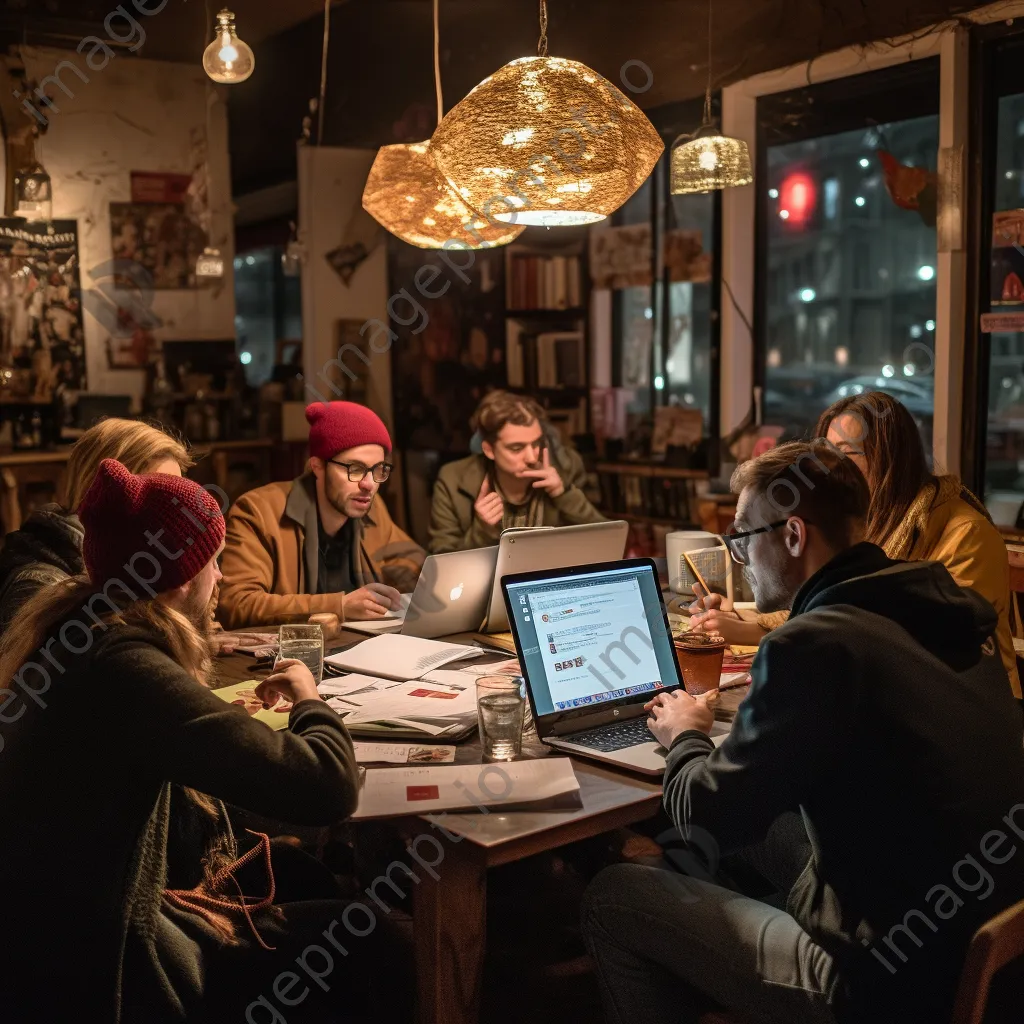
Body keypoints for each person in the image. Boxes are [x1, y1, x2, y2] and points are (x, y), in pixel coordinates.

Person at [583, 440, 1024, 1024]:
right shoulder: (948, 610)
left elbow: (703, 816)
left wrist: (687, 734)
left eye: (742, 538)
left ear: (792, 535)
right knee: (758, 839)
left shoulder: (814, 643)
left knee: (615, 895)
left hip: (884, 982)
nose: (739, 557)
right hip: (987, 945)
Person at [0, 460, 390, 1023]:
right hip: (100, 965)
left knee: (304, 874)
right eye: (215, 561)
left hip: (55, 932)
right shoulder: (125, 668)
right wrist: (310, 699)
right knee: (360, 930)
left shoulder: (77, 628)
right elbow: (326, 788)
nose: (222, 579)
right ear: (181, 577)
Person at [691, 391, 1021, 700]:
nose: (829, 468)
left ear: (893, 460)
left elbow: (894, 642)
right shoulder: (864, 522)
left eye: (846, 454)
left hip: (966, 711)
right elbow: (827, 610)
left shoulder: (965, 533)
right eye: (825, 455)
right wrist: (740, 622)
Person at [217, 401, 425, 629]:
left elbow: (412, 567)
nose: (369, 484)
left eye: (378, 470)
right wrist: (339, 606)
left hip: (361, 649)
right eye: (354, 469)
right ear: (317, 467)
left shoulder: (372, 509)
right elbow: (236, 604)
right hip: (291, 657)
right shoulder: (258, 511)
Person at [0, 416, 192, 633]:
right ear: (107, 490)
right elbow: (98, 659)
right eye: (161, 499)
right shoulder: (39, 585)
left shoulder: (130, 564)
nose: (176, 514)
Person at [428, 390, 604, 553]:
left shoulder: (567, 467)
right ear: (489, 450)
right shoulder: (453, 479)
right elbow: (443, 564)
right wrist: (482, 530)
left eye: (536, 444)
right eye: (516, 448)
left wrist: (563, 495)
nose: (532, 457)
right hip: (488, 585)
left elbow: (605, 542)